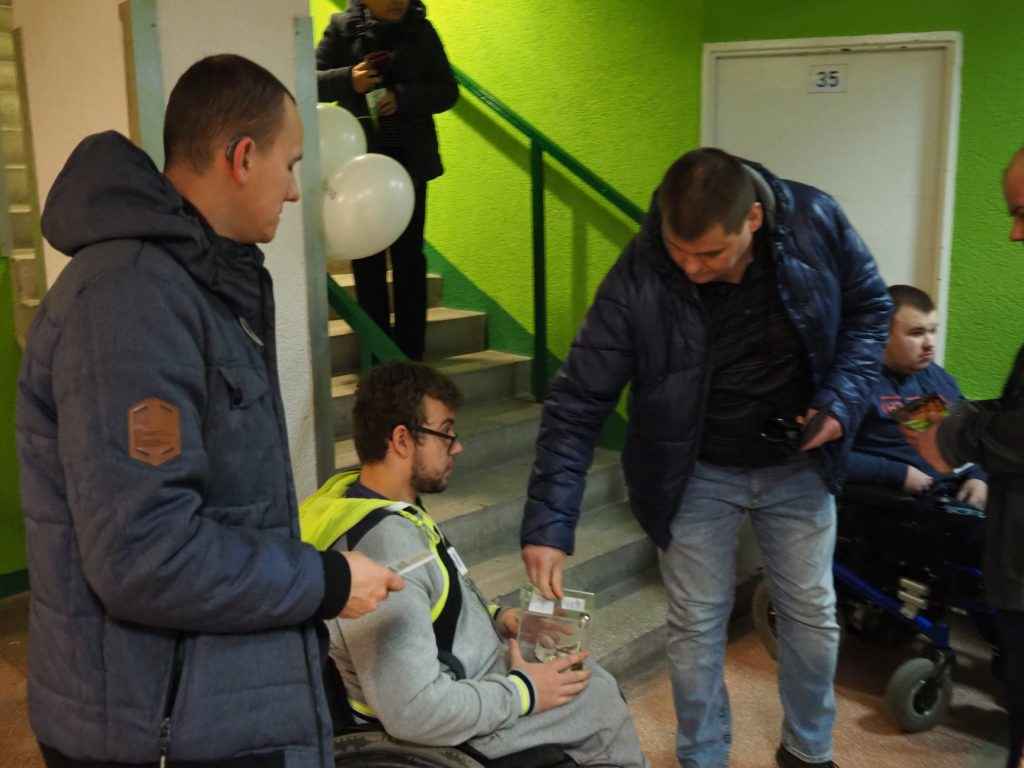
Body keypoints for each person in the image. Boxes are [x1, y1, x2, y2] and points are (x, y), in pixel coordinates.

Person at [16, 54, 403, 768]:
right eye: (290, 165)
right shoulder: (130, 301)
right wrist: (326, 582)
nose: (295, 192)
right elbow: (146, 555)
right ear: (243, 157)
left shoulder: (194, 287)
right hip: (154, 730)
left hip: (205, 706)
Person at [521, 148, 893, 768]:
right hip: (692, 473)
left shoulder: (815, 220)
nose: (692, 269)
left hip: (798, 464)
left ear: (753, 219)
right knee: (695, 624)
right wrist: (549, 524)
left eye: (711, 254)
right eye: (680, 251)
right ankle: (702, 756)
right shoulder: (640, 271)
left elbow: (871, 311)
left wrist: (840, 402)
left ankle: (808, 749)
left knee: (812, 615)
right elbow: (578, 400)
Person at [300, 360, 650, 767]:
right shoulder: (386, 549)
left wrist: (500, 618)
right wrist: (524, 693)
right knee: (597, 701)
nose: (457, 447)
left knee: (585, 679)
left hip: (472, 680)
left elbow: (436, 601)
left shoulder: (369, 501)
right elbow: (414, 712)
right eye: (446, 432)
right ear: (402, 440)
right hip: (447, 729)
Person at [902, 146, 1024, 768]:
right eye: (913, 333)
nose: (1015, 233)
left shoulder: (936, 384)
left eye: (932, 332)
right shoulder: (880, 389)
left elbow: (964, 432)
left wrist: (969, 460)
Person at [316, 0, 458, 360]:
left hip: (410, 164)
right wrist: (349, 80)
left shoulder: (421, 31)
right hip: (359, 168)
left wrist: (403, 97)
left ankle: (411, 361)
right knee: (367, 262)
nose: (399, 1)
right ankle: (378, 358)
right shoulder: (341, 28)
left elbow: (447, 90)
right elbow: (307, 83)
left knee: (410, 261)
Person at [846, 284, 987, 507]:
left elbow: (969, 436)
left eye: (932, 331)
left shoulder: (936, 378)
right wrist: (896, 473)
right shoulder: (853, 382)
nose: (929, 343)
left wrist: (978, 476)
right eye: (917, 333)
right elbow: (824, 458)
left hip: (953, 496)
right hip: (889, 504)